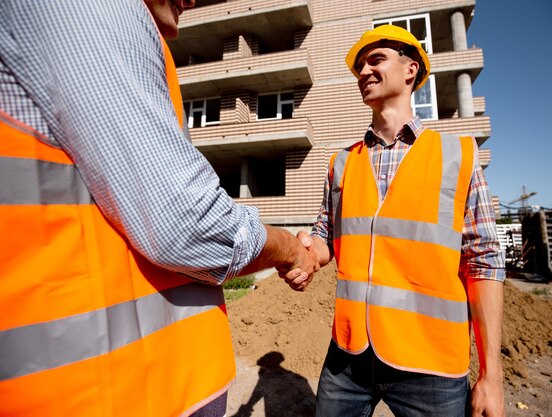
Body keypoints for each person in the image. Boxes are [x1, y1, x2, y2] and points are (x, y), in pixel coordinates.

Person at [0, 1, 317, 416]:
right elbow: (187, 225)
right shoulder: (90, 10)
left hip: (149, 384)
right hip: (100, 394)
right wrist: (289, 248)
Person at [291, 24, 506, 416]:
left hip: (431, 366)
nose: (363, 72)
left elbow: (485, 261)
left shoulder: (457, 154)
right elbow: (327, 236)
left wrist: (492, 374)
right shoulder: (341, 162)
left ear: (410, 70)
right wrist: (307, 252)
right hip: (348, 357)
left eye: (376, 60)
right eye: (359, 67)